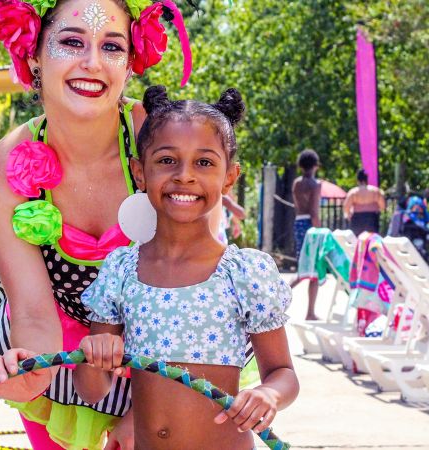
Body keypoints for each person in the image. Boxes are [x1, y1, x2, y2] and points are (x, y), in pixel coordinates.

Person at [0, 0, 196, 447]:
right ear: (33, 51)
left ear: (130, 61)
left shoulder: (165, 138)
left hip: (171, 340)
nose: (92, 63)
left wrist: (147, 413)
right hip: (59, 346)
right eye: (72, 42)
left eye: (112, 46)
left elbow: (195, 287)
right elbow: (34, 312)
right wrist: (25, 377)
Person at [70, 86, 299, 449]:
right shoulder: (122, 271)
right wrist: (96, 354)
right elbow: (90, 389)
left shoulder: (242, 274)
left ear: (229, 177)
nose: (185, 176)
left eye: (204, 163)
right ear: (139, 172)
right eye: (166, 160)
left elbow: (283, 374)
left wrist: (269, 394)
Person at [290, 149, 322, 320]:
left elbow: (299, 206)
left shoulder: (296, 183)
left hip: (298, 223)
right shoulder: (315, 185)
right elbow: (314, 212)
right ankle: (310, 312)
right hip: (310, 226)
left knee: (303, 267)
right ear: (315, 165)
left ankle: (277, 297)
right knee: (313, 270)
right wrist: (320, 230)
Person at [343, 168, 386, 236]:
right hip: (372, 218)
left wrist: (349, 215)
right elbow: (383, 206)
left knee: (357, 240)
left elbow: (346, 208)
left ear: (357, 180)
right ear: (367, 179)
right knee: (372, 240)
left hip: (357, 219)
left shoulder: (353, 192)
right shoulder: (375, 191)